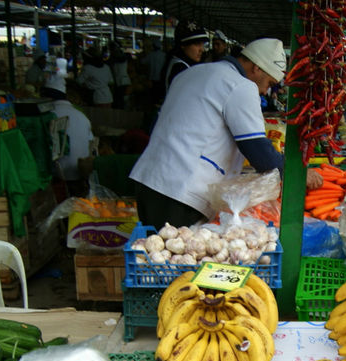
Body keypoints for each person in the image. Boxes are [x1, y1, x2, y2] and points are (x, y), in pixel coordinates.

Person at [130, 39, 319, 228]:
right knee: (176, 255)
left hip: (148, 178)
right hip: (181, 190)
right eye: (269, 82)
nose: (265, 90)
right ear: (257, 68)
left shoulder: (192, 72)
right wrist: (296, 174)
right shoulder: (240, 86)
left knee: (153, 251)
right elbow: (257, 150)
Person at [49, 97, 94, 193]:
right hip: (82, 172)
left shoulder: (51, 114)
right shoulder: (82, 116)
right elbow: (91, 142)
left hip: (60, 176)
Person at [162, 20, 207, 93]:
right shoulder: (180, 68)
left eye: (202, 44)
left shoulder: (180, 63)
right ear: (183, 45)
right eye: (197, 44)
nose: (201, 49)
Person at [109, 44, 131, 109]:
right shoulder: (117, 60)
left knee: (121, 99)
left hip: (122, 81)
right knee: (121, 99)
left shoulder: (120, 59)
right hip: (122, 81)